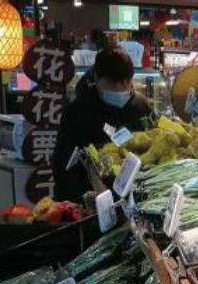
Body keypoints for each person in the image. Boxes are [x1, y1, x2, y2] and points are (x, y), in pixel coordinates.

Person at [51, 47, 153, 202]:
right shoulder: (77, 112)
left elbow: (153, 143)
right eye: (112, 83)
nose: (120, 89)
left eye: (126, 82)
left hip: (134, 200)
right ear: (96, 78)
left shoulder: (141, 106)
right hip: (88, 202)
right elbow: (62, 164)